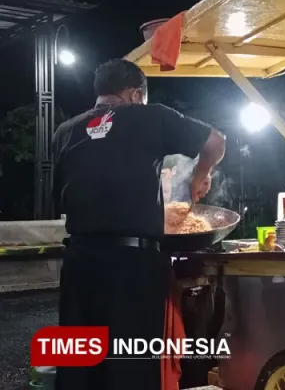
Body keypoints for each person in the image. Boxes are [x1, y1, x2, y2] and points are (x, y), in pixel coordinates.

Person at [52, 59, 225, 390]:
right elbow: (216, 142)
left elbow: (64, 197)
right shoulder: (151, 115)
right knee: (131, 367)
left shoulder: (65, 132)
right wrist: (201, 176)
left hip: (79, 264)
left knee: (78, 367)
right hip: (133, 266)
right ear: (134, 94)